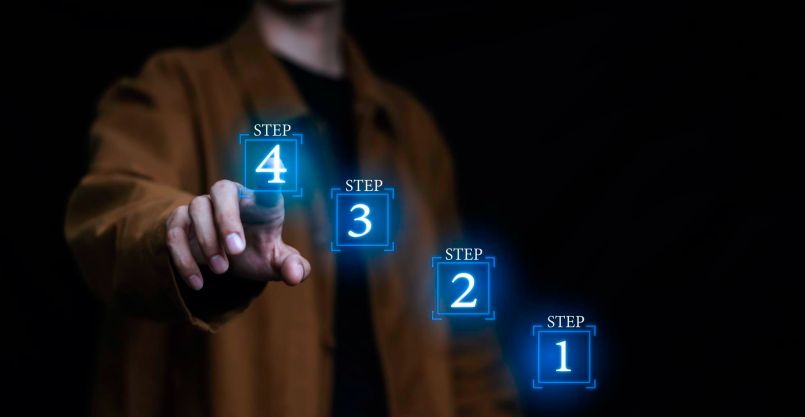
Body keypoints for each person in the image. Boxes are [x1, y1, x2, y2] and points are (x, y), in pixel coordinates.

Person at [64, 1, 518, 416]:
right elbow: (114, 212)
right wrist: (191, 230)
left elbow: (467, 341)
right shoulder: (172, 88)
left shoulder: (413, 132)